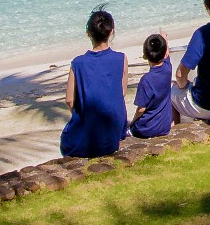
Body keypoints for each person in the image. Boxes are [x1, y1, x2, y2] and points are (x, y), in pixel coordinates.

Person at [60, 9, 128, 158]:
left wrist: (84, 116)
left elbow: (69, 100)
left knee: (66, 141)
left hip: (89, 135)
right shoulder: (122, 58)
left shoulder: (78, 63)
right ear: (111, 32)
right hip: (113, 133)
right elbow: (121, 93)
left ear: (88, 33)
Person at [129, 33, 174, 138]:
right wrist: (164, 39)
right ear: (164, 54)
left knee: (127, 128)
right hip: (164, 127)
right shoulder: (168, 67)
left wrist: (132, 122)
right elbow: (167, 53)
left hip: (147, 129)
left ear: (144, 56)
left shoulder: (146, 80)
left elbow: (141, 109)